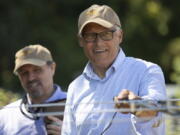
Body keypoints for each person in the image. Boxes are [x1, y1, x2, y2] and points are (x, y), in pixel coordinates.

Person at [62, 4, 166, 135]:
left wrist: (138, 105)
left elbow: (156, 111)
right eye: (90, 36)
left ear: (120, 36)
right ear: (81, 41)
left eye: (106, 34)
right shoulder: (75, 88)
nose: (98, 43)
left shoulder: (147, 71)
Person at [0, 44, 66, 135]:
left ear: (52, 68)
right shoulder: (5, 116)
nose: (31, 78)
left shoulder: (78, 106)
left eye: (37, 70)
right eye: (24, 73)